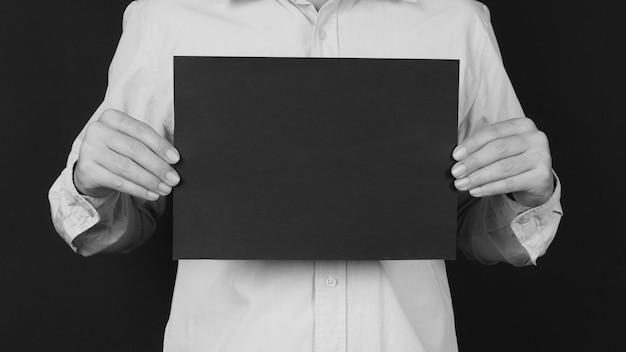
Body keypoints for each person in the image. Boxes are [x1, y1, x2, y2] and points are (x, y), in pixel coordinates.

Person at [48, 0, 563, 351]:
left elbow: (481, 229)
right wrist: (90, 185)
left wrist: (529, 195)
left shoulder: (455, 19)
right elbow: (121, 221)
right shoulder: (167, 17)